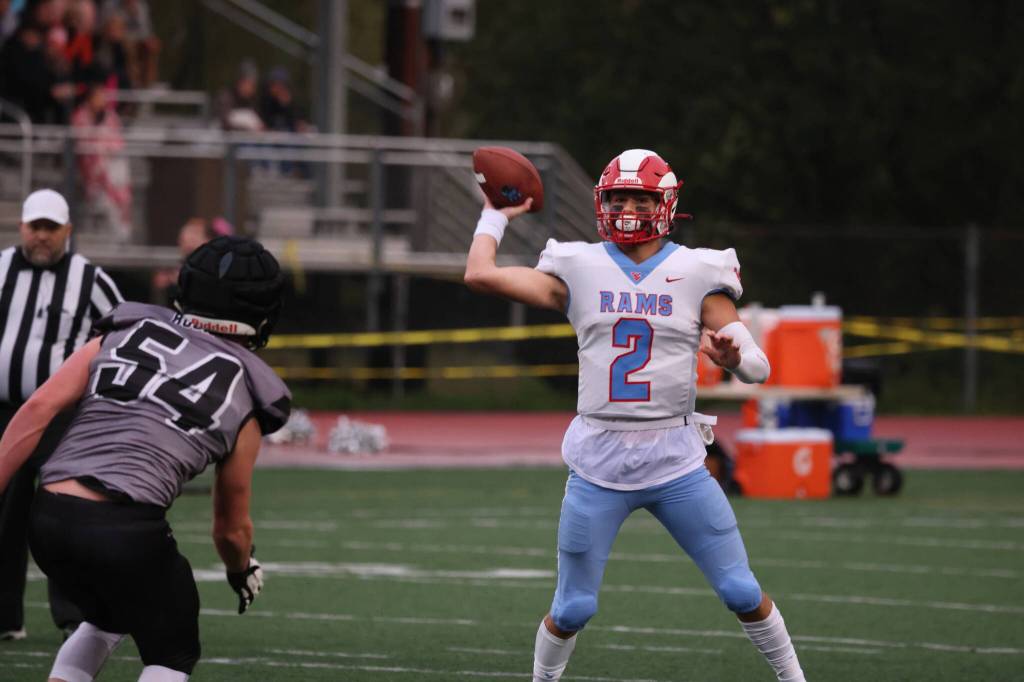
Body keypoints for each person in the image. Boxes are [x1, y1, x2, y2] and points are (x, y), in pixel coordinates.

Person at [464, 149, 806, 682]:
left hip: (676, 462)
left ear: (665, 203)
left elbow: (758, 367)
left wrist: (736, 359)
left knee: (740, 590)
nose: (626, 207)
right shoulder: (578, 265)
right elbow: (479, 275)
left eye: (639, 197)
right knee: (573, 607)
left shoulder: (697, 269)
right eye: (618, 197)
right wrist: (494, 213)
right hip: (598, 461)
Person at [0, 235, 291, 681]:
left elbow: (37, 410)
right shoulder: (249, 393)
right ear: (264, 315)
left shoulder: (125, 329)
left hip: (49, 516)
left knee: (107, 615)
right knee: (173, 650)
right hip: (124, 528)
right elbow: (229, 527)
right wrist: (241, 568)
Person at [0, 188, 122, 641]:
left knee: (63, 513)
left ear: (68, 230)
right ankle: (4, 617)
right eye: (36, 227)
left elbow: (122, 333)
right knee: (4, 513)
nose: (43, 237)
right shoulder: (0, 269)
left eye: (52, 228)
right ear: (22, 228)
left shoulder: (90, 278)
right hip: (6, 413)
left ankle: (74, 614)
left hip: (63, 420)